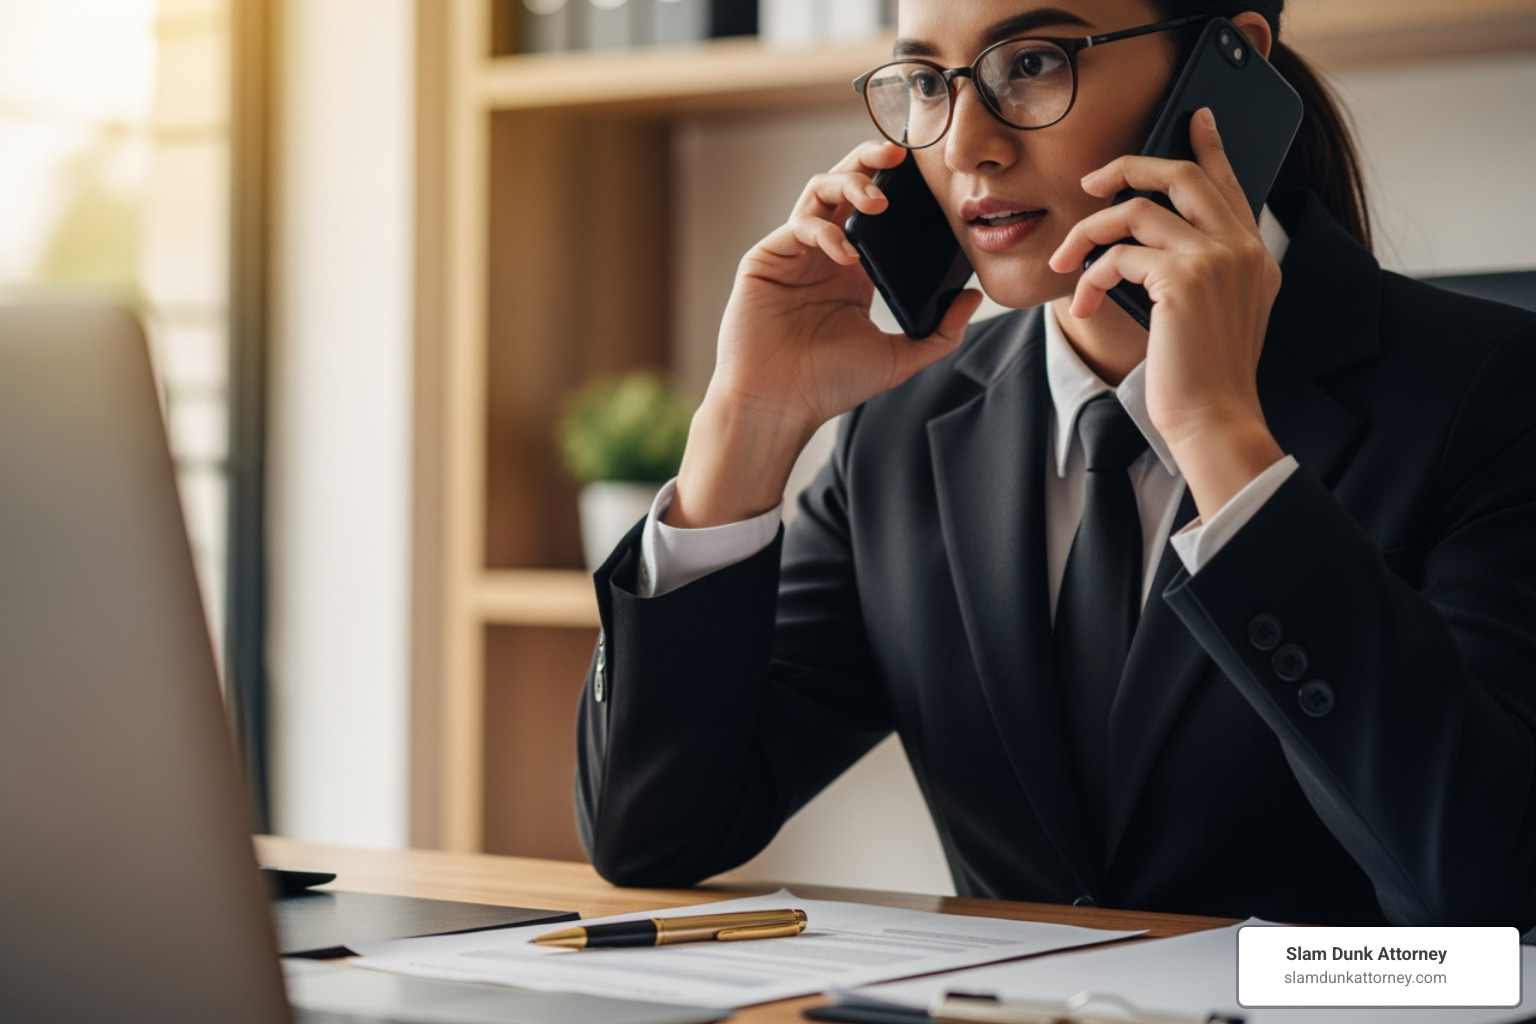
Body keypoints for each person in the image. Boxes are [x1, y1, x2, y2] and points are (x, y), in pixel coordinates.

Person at [573, 0, 1536, 928]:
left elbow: (1487, 895)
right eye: (927, 83)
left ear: (1228, 60)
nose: (963, 148)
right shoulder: (902, 431)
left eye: (1032, 63)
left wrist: (1223, 440)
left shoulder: (1494, 394)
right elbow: (653, 835)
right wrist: (747, 420)